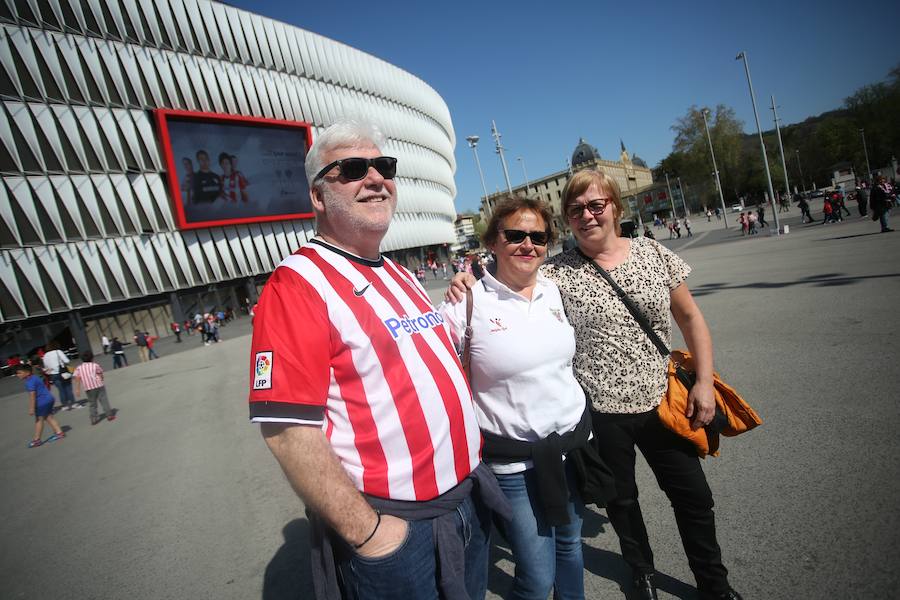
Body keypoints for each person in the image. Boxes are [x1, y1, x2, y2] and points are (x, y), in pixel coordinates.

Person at [448, 169, 742, 600]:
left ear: (616, 208)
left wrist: (703, 381)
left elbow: (691, 317)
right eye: (576, 209)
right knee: (621, 501)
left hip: (663, 401)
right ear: (568, 220)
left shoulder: (652, 253)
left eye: (596, 205)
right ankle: (640, 571)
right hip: (601, 412)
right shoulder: (558, 273)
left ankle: (714, 585)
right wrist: (468, 277)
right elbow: (509, 270)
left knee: (693, 498)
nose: (587, 215)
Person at [248, 118, 508, 600]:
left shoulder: (398, 272)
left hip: (463, 504)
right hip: (397, 531)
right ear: (318, 196)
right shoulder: (297, 285)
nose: (374, 177)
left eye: (383, 165)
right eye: (351, 168)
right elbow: (286, 430)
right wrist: (369, 533)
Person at [441, 196, 604, 600]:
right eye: (515, 235)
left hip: (570, 449)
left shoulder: (553, 290)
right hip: (512, 463)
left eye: (538, 236)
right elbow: (436, 378)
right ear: (493, 242)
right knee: (535, 574)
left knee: (570, 547)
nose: (527, 244)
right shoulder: (468, 303)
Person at [16, 363, 65, 448]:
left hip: (42, 402)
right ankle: (59, 433)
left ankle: (37, 440)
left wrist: (31, 408)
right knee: (49, 417)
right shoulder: (35, 377)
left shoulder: (29, 382)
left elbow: (32, 395)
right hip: (49, 399)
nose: (18, 375)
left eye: (20, 373)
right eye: (17, 373)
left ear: (27, 373)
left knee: (39, 420)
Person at [73, 351, 116, 425]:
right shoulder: (95, 365)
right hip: (98, 385)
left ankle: (93, 418)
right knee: (104, 400)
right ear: (92, 358)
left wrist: (77, 389)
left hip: (89, 388)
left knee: (92, 403)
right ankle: (109, 415)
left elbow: (77, 378)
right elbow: (100, 374)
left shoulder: (79, 368)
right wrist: (102, 378)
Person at [42, 341, 77, 411]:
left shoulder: (45, 355)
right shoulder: (58, 351)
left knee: (61, 390)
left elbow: (46, 366)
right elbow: (67, 361)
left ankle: (65, 405)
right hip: (63, 372)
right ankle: (73, 403)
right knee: (68, 388)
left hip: (53, 374)